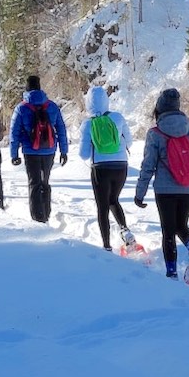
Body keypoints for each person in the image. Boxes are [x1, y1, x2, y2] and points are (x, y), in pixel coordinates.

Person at [134, 88, 189, 279]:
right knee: (182, 225)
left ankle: (171, 272)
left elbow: (148, 166)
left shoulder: (155, 133)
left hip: (165, 190)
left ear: (159, 109)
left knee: (168, 231)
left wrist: (140, 193)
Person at [78, 85, 136, 252]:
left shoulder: (88, 124)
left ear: (89, 103)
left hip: (100, 169)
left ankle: (106, 246)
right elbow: (130, 142)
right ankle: (125, 231)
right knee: (114, 200)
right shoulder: (118, 118)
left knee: (102, 206)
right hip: (121, 167)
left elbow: (84, 154)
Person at [9, 75, 68, 223]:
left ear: (27, 88)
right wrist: (64, 151)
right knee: (45, 181)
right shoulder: (52, 106)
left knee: (34, 182)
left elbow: (14, 133)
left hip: (30, 151)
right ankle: (46, 212)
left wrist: (14, 154)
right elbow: (61, 129)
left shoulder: (21, 108)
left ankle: (37, 217)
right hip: (49, 150)